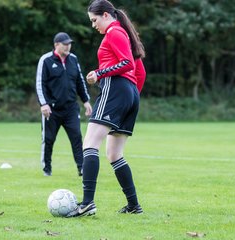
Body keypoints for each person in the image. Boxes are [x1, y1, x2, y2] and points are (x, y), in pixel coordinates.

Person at [66, 0, 146, 217]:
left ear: (106, 15)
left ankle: (87, 203)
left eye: (94, 20)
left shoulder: (114, 33)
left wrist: (99, 73)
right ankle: (133, 205)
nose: (94, 25)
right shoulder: (126, 36)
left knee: (90, 143)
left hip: (116, 89)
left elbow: (127, 63)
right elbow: (140, 73)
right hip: (129, 94)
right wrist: (131, 98)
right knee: (114, 153)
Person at [36, 32, 92, 177]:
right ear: (56, 45)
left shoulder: (73, 59)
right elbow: (40, 84)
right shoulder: (46, 60)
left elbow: (80, 81)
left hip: (71, 108)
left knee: (77, 138)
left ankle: (82, 168)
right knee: (48, 140)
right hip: (51, 110)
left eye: (69, 43)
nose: (68, 46)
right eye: (65, 44)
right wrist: (44, 104)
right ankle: (46, 169)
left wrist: (86, 101)